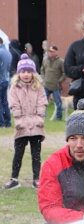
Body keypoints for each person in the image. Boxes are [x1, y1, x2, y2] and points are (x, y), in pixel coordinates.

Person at [3, 54, 47, 190]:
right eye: (23, 71)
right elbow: (13, 104)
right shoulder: (14, 88)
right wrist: (18, 119)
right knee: (18, 153)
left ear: (33, 73)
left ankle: (36, 179)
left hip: (36, 125)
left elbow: (42, 102)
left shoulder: (38, 87)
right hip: (21, 125)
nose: (26, 74)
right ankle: (14, 179)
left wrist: (40, 117)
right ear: (19, 73)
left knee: (36, 154)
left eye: (29, 71)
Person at [41, 45, 65, 120]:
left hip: (56, 86)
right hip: (46, 85)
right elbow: (42, 69)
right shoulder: (45, 60)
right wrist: (43, 78)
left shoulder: (61, 61)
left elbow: (65, 73)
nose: (50, 53)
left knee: (58, 103)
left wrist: (59, 81)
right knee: (43, 102)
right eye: (49, 51)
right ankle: (43, 116)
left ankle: (58, 117)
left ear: (56, 52)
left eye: (52, 52)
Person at [0, 37, 12, 127]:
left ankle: (1, 122)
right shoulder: (8, 52)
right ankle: (8, 121)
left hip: (0, 79)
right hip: (6, 79)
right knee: (5, 101)